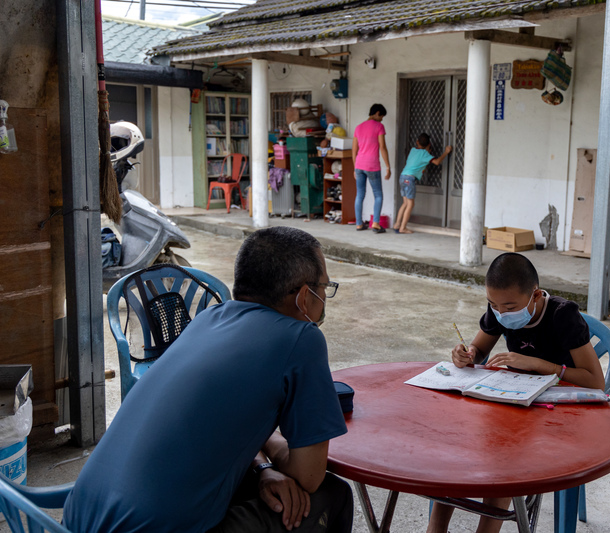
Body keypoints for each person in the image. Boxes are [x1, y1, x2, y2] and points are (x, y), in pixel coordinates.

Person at [63, 227, 354, 533]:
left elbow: (218, 420)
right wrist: (278, 452)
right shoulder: (302, 339)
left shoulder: (208, 318)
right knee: (332, 494)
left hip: (79, 518)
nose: (325, 295)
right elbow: (308, 476)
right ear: (305, 296)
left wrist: (262, 467)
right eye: (324, 287)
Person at [427, 252, 604, 533]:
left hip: (560, 413)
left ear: (535, 296)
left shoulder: (562, 316)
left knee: (506, 452)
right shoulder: (501, 310)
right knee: (456, 441)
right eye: (494, 305)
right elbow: (480, 350)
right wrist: (467, 354)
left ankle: (488, 528)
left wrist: (538, 365)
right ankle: (435, 528)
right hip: (517, 401)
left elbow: (595, 382)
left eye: (509, 306)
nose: (501, 313)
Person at [393, 133, 452, 234]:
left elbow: (417, 162)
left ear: (417, 142)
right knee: (410, 204)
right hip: (409, 179)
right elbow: (437, 162)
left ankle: (397, 224)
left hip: (402, 177)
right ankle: (403, 228)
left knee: (405, 203)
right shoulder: (426, 155)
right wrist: (446, 152)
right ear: (429, 144)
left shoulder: (412, 150)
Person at [352, 103, 391, 233]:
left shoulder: (358, 127)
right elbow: (382, 147)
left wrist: (354, 167)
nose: (382, 119)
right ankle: (375, 223)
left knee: (360, 195)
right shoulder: (379, 127)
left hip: (359, 165)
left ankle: (358, 224)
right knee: (378, 195)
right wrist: (388, 166)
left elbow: (354, 150)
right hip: (372, 165)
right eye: (382, 116)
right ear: (377, 113)